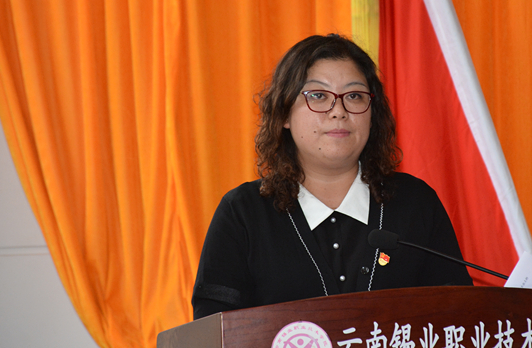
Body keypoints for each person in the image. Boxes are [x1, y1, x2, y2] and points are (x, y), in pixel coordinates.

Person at [192, 34, 472, 319]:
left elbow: (460, 318)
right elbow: (213, 331)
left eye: (354, 96)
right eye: (318, 96)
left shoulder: (415, 203)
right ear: (284, 114)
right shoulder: (243, 214)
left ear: (372, 114)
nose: (339, 111)